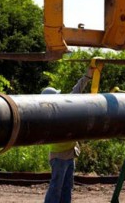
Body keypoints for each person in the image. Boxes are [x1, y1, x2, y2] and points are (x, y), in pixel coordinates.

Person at [43, 67, 94, 203]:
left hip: (69, 155)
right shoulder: (49, 118)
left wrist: (87, 77)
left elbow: (76, 91)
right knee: (56, 188)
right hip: (59, 157)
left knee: (67, 187)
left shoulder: (62, 109)